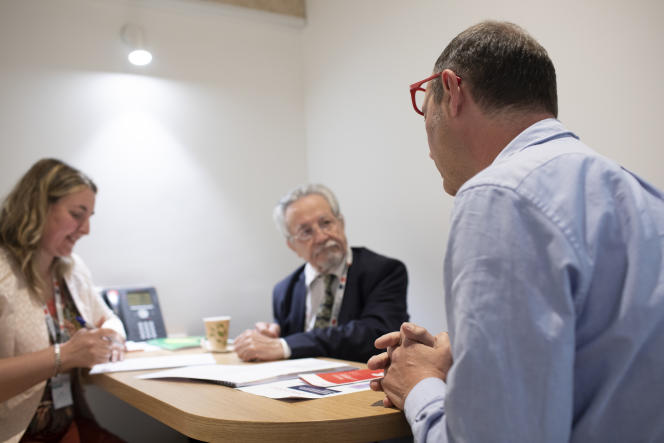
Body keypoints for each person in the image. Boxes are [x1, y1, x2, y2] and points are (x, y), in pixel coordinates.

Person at [368, 20, 664, 442]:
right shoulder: (640, 195)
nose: (427, 143)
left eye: (423, 103)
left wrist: (419, 386)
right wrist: (472, 359)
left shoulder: (499, 194)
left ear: (450, 91)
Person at [0, 158, 127, 443]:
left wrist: (114, 337)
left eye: (90, 217)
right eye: (77, 214)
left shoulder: (70, 268)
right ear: (37, 207)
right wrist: (63, 356)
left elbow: (108, 318)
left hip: (67, 428)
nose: (86, 229)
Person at [234, 184, 409, 363]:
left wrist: (286, 345)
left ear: (341, 223)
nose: (321, 237)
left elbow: (377, 334)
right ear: (292, 245)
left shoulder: (385, 271)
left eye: (326, 223)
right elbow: (283, 347)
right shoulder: (284, 290)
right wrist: (271, 337)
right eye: (306, 232)